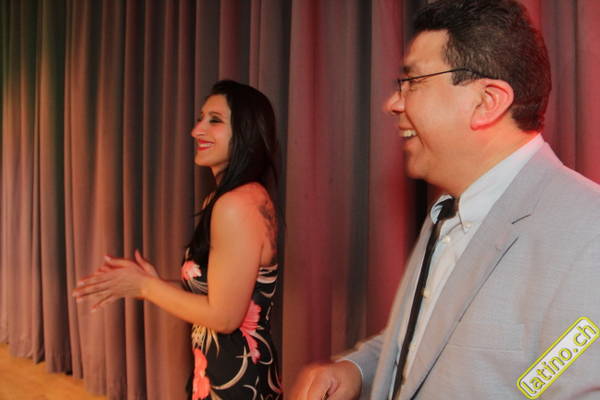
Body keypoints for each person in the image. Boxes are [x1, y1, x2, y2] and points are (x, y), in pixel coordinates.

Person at [291, 0, 600, 399]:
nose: (393, 103)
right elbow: (428, 340)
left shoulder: (589, 234)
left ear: (486, 101)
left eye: (413, 82)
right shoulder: (449, 210)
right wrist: (356, 370)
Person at [73, 80, 283, 399]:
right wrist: (154, 284)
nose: (196, 131)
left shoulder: (237, 205)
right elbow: (219, 295)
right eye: (200, 119)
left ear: (246, 133)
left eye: (214, 120)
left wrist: (146, 287)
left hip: (237, 384)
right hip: (216, 372)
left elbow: (225, 317)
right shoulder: (226, 199)